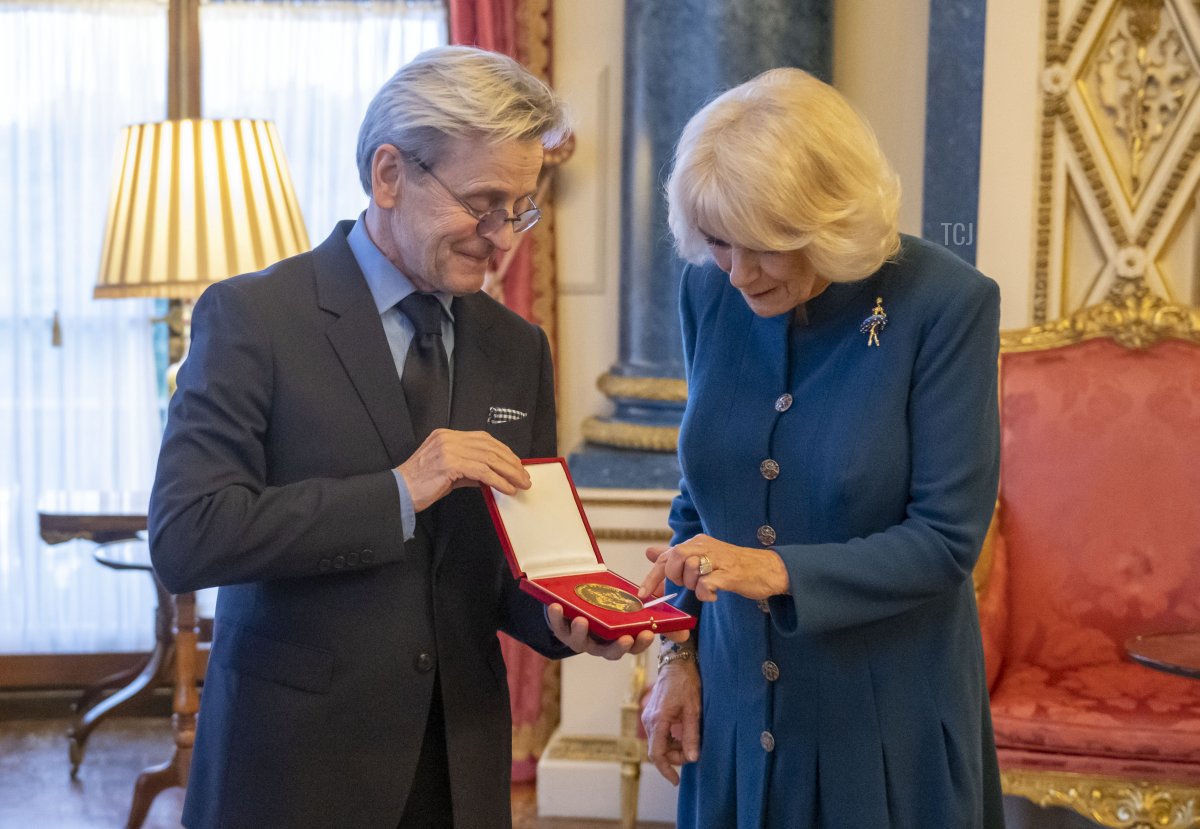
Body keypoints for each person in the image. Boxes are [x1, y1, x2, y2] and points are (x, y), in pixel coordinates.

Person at [149, 46, 657, 829]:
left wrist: (560, 618)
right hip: (293, 773)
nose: (503, 238)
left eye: (521, 209)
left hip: (460, 776)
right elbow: (188, 536)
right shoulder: (256, 319)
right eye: (483, 202)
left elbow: (509, 566)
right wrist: (398, 490)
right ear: (390, 174)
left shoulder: (519, 348)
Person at [636, 67, 1005, 828]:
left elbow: (945, 541)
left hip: (882, 724)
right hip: (736, 713)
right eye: (716, 242)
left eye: (762, 246)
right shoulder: (707, 291)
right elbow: (697, 502)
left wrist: (772, 570)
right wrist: (679, 654)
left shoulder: (945, 304)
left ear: (826, 219)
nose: (737, 273)